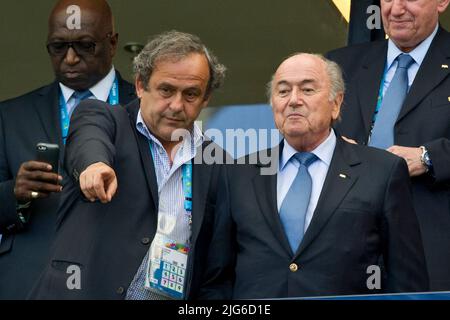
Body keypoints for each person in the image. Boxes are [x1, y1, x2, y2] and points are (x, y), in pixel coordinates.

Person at [200, 53, 428, 299]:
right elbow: (217, 279)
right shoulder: (237, 173)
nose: (294, 101)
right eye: (283, 91)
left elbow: (407, 283)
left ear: (336, 103)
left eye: (307, 90)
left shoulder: (382, 171)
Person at [30, 30, 227, 300]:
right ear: (140, 86)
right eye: (166, 90)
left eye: (191, 94)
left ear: (206, 100)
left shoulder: (217, 162)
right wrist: (94, 166)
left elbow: (216, 267)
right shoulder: (105, 117)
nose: (177, 105)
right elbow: (89, 137)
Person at [0, 0, 135, 299]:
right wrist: (15, 193)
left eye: (85, 45)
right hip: (29, 281)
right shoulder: (9, 116)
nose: (70, 58)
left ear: (112, 43)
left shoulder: (145, 110)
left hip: (119, 279)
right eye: (58, 47)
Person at [327, 0, 450, 291]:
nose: (396, 9)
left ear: (442, 2)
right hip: (345, 251)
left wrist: (429, 157)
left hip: (433, 250)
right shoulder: (338, 65)